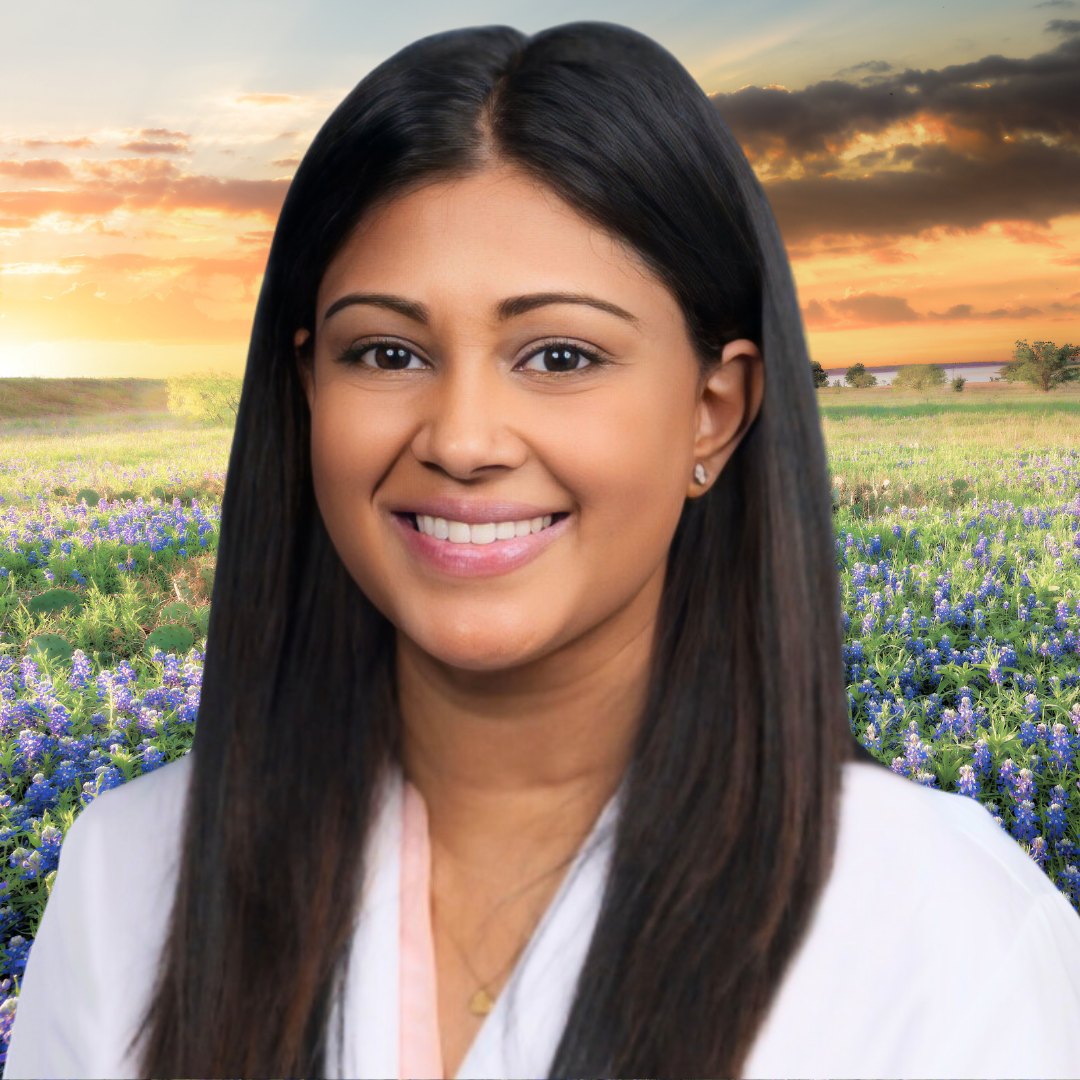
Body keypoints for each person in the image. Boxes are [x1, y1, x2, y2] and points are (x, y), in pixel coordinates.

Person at [6, 21, 1080, 1080]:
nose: (464, 440)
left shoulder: (946, 926)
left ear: (714, 410)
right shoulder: (130, 876)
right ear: (307, 391)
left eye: (560, 355)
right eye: (386, 351)